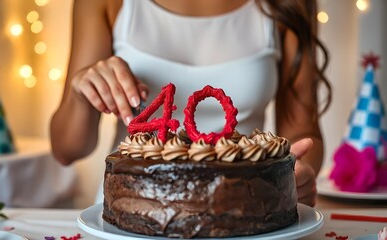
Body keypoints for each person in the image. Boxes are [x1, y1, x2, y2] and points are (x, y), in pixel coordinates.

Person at [50, 0, 331, 207]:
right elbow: (66, 150)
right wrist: (82, 91)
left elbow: (303, 134)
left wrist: (296, 171)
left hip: (245, 207)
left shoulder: (291, 4)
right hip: (134, 209)